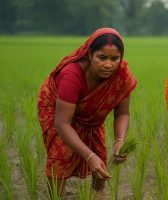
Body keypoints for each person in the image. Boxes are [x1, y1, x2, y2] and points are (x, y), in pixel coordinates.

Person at [37, 28, 137, 197]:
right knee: (61, 154)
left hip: (90, 117)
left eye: (115, 59)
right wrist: (89, 157)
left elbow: (122, 113)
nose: (108, 65)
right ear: (90, 54)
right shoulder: (72, 74)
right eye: (102, 57)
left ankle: (97, 194)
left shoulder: (122, 76)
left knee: (100, 154)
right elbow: (62, 123)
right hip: (58, 111)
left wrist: (120, 140)